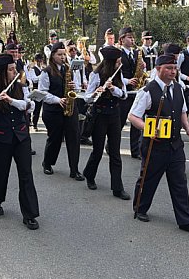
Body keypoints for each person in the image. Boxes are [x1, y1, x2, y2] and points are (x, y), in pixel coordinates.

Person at [129, 54, 189, 234]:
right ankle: (140, 207)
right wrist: (147, 128)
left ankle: (186, 220)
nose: (173, 71)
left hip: (175, 144)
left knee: (179, 182)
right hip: (154, 145)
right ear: (158, 69)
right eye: (169, 68)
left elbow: (182, 112)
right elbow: (133, 116)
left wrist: (188, 128)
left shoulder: (178, 88)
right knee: (148, 179)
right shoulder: (147, 90)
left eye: (175, 68)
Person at [0, 54, 39, 229]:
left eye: (15, 68)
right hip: (1, 136)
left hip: (21, 136)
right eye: (11, 69)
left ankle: (30, 214)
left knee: (26, 174)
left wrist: (10, 100)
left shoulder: (21, 87)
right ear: (2, 72)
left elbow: (29, 106)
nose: (15, 71)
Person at [82, 47, 131, 200]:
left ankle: (117, 188)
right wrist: (96, 92)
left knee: (115, 152)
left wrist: (113, 88)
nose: (120, 64)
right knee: (97, 150)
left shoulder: (119, 74)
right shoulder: (96, 75)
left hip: (114, 114)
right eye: (117, 62)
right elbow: (86, 98)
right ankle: (89, 175)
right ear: (110, 62)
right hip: (100, 115)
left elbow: (124, 95)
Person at [37, 42, 84, 181]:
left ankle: (74, 169)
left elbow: (78, 88)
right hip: (53, 110)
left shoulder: (68, 69)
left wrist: (74, 86)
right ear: (52, 56)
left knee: (74, 138)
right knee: (55, 139)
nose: (63, 57)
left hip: (70, 108)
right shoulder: (46, 72)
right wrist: (57, 100)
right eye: (59, 54)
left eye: (64, 54)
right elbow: (42, 93)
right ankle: (47, 163)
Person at [118, 27, 146, 158]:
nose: (132, 40)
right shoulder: (118, 54)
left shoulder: (136, 53)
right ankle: (111, 145)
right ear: (122, 39)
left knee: (136, 121)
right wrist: (127, 81)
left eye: (133, 37)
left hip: (136, 92)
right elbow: (115, 74)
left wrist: (142, 67)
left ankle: (135, 150)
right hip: (124, 92)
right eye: (129, 37)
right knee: (120, 122)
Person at [26, 54, 46, 130]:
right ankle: (34, 124)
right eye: (38, 60)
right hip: (36, 90)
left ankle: (36, 123)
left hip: (42, 90)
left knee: (41, 108)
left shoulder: (43, 69)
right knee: (36, 108)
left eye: (41, 60)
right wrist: (42, 75)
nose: (40, 62)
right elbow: (34, 79)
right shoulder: (33, 69)